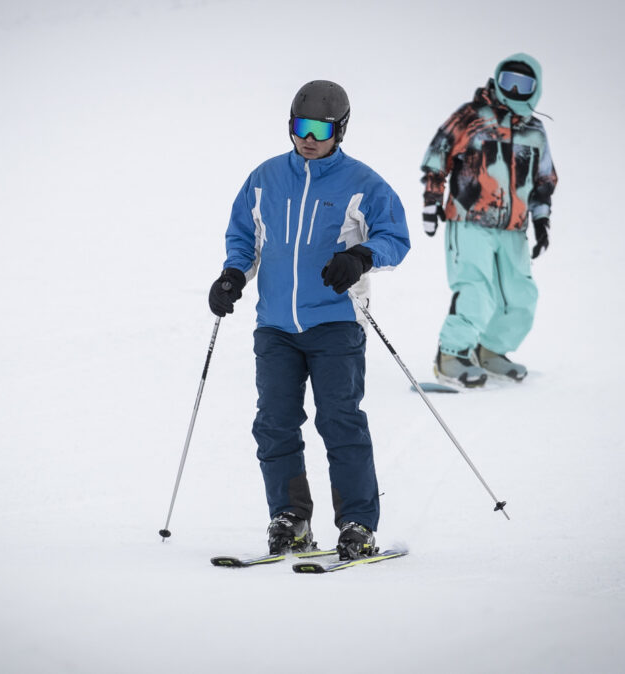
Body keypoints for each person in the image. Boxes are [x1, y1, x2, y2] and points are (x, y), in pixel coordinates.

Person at [208, 80, 410, 560]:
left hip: (336, 323)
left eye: (320, 128)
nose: (309, 137)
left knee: (340, 422)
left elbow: (394, 237)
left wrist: (361, 256)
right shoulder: (265, 178)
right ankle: (291, 518)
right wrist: (232, 276)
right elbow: (244, 237)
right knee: (274, 423)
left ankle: (358, 524)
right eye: (301, 127)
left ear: (340, 129)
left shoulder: (363, 182)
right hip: (275, 325)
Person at [420, 53, 558, 387]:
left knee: (520, 297)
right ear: (496, 79)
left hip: (513, 228)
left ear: (535, 90)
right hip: (469, 220)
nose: (513, 89)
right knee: (476, 290)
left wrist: (541, 220)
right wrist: (432, 198)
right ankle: (451, 355)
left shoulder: (535, 131)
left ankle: (490, 349)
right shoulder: (472, 117)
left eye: (523, 84)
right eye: (508, 80)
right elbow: (439, 153)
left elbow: (543, 181)